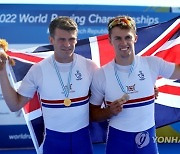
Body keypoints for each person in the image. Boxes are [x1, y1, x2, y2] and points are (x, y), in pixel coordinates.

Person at [0, 16, 98, 154]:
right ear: (51, 40)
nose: (67, 44)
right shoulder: (38, 70)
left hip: (82, 141)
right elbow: (14, 105)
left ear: (76, 39)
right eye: (62, 39)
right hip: (54, 142)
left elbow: (107, 95)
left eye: (71, 39)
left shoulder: (90, 66)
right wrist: (2, 70)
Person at [89, 15, 180, 154]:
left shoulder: (152, 64)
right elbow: (92, 114)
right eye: (118, 38)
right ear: (110, 40)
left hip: (147, 140)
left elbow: (178, 72)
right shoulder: (101, 74)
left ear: (135, 38)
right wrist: (109, 111)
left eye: (127, 37)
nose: (123, 43)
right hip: (118, 141)